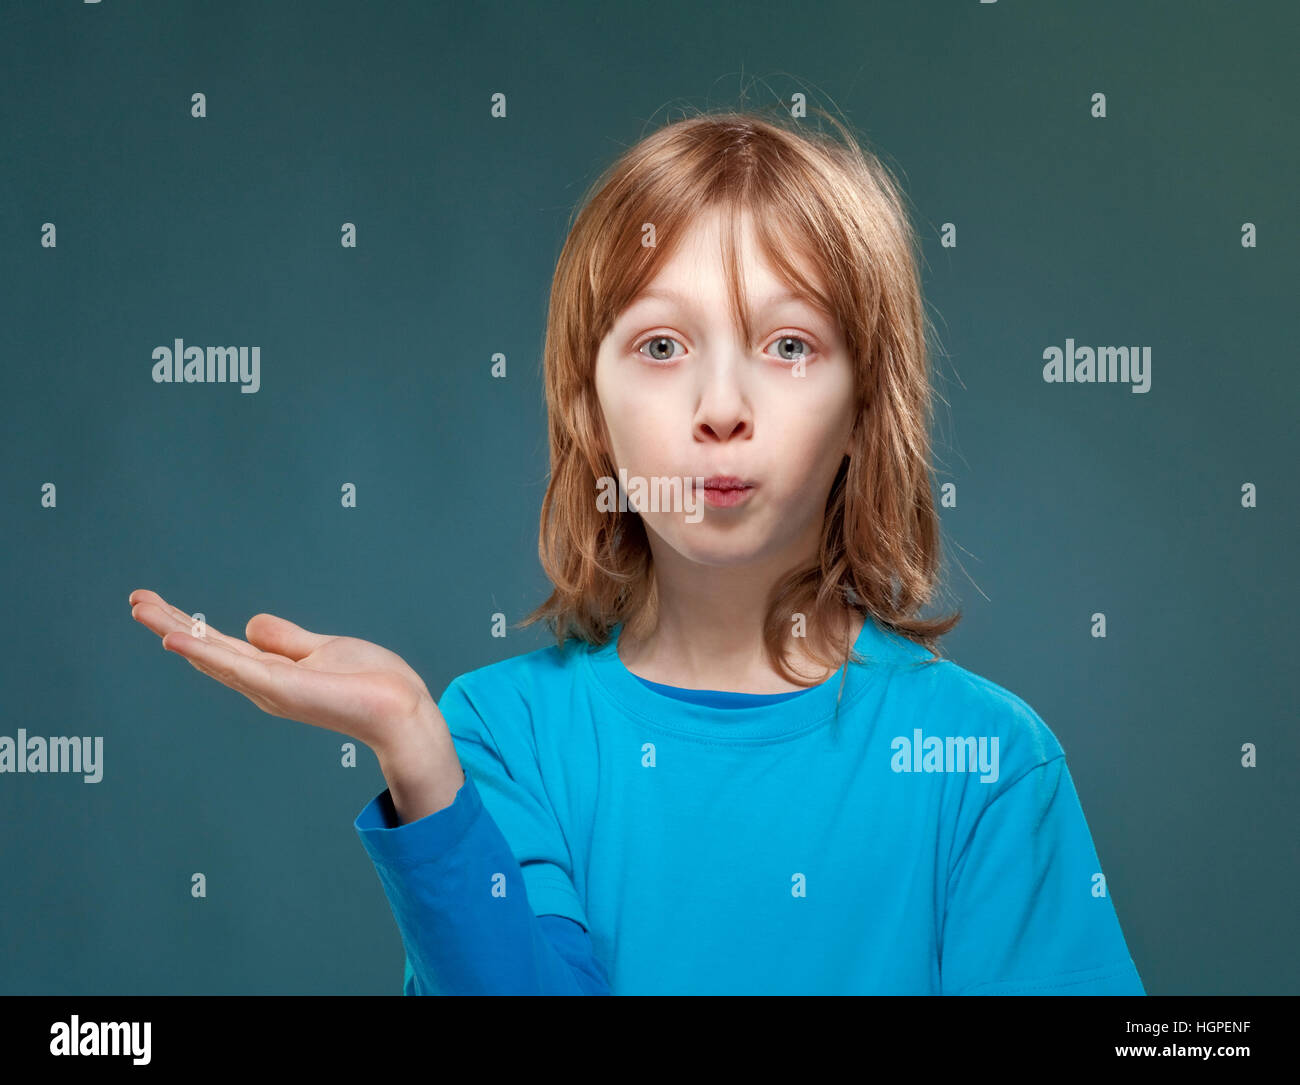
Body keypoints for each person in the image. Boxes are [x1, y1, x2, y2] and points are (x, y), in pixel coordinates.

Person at [128, 108, 1144, 995]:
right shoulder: (496, 732)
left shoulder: (989, 764)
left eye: (788, 345)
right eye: (662, 346)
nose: (721, 409)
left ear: (863, 411)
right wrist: (413, 745)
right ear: (589, 409)